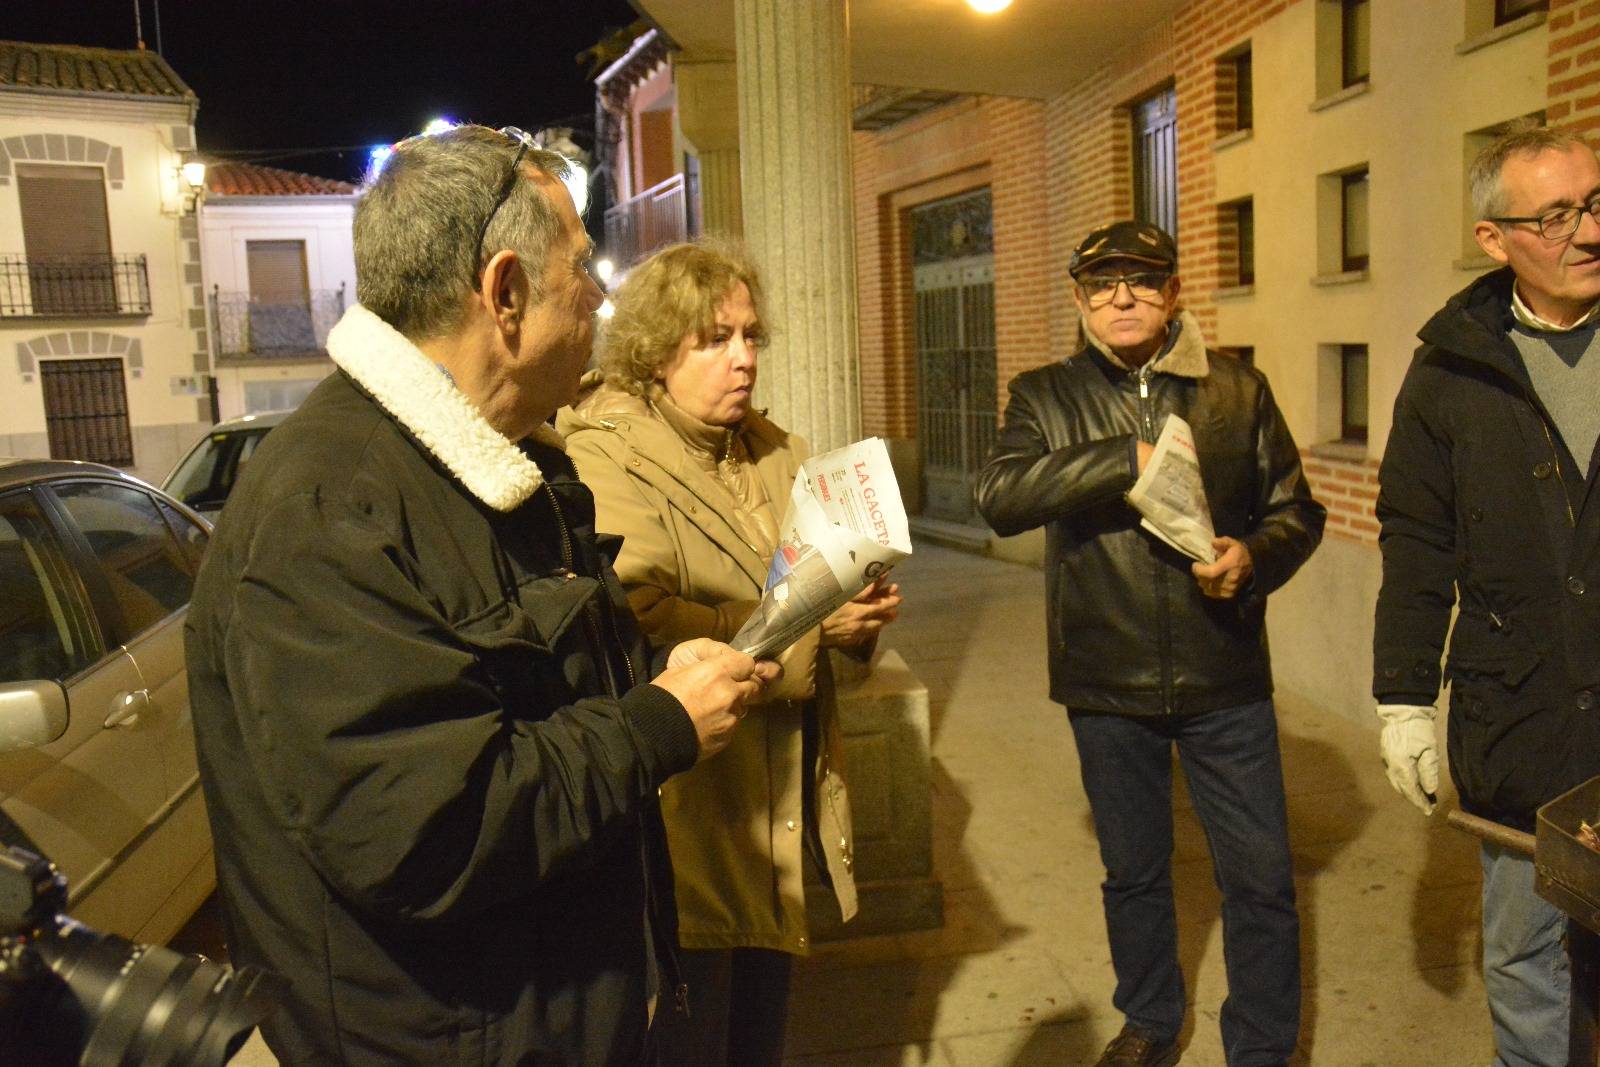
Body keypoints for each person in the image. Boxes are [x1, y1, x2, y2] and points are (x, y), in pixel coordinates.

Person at [183, 126, 779, 1066]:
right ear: (504, 294)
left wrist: (660, 675)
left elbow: (535, 692)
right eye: (584, 272)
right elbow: (426, 829)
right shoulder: (330, 506)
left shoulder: (504, 462)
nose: (601, 299)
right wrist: (656, 725)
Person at [975, 220, 1325, 1067]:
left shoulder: (1238, 391)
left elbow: (1297, 511)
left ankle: (1264, 1044)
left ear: (1173, 292)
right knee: (1134, 871)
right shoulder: (1044, 394)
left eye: (1141, 278)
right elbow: (1000, 493)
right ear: (1080, 301)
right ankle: (1151, 1019)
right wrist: (1119, 458)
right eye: (1102, 283)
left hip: (1224, 672)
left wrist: (1254, 557)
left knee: (1260, 877)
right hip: (1106, 673)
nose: (1122, 296)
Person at [558, 239, 901, 1066]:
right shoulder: (606, 450)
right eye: (715, 339)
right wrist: (820, 628)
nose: (743, 359)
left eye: (751, 336)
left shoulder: (775, 451)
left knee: (758, 1035)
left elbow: (812, 583)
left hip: (777, 802)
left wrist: (861, 614)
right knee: (692, 1036)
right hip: (690, 818)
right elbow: (637, 617)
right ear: (653, 351)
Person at [1373, 121, 1600, 1067]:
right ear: (1494, 238)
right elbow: (1418, 545)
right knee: (1527, 951)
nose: (1588, 231)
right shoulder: (1449, 371)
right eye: (1556, 215)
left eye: (1596, 203)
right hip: (1520, 710)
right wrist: (1403, 701)